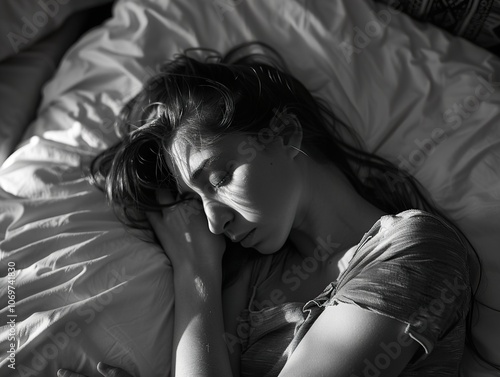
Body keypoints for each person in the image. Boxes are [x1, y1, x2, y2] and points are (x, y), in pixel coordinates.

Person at [57, 43, 479, 377]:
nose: (212, 221)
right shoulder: (254, 274)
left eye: (219, 178)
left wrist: (196, 274)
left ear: (285, 133)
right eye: (197, 198)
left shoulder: (413, 249)